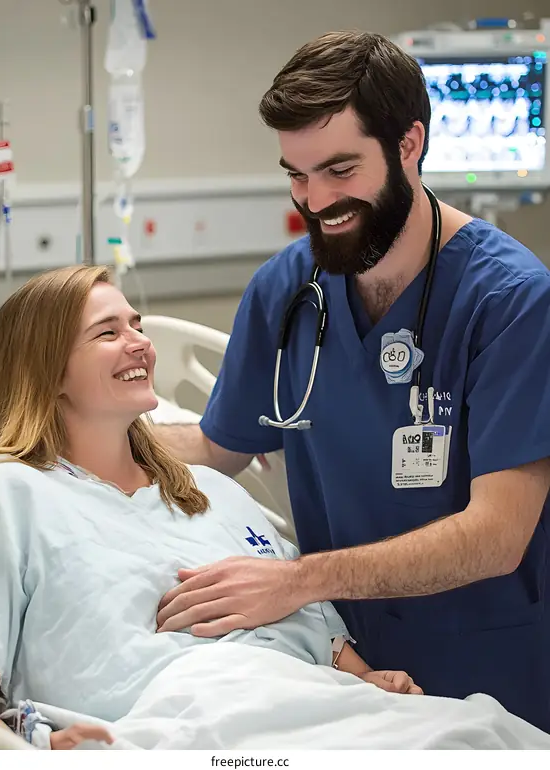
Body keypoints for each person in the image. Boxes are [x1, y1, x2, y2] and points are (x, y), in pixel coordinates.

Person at [152, 30, 550, 733]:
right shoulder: (286, 291)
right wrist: (65, 430)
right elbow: (219, 447)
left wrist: (297, 582)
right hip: (343, 673)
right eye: (297, 175)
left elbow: (497, 534)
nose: (316, 201)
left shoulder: (510, 302)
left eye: (340, 170)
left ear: (409, 144)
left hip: (488, 676)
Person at [0, 266, 423, 751]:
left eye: (137, 326)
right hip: (181, 727)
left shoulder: (211, 491)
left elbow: (321, 632)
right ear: (47, 371)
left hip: (319, 706)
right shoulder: (2, 490)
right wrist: (37, 751)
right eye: (108, 333)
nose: (140, 343)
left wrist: (370, 680)